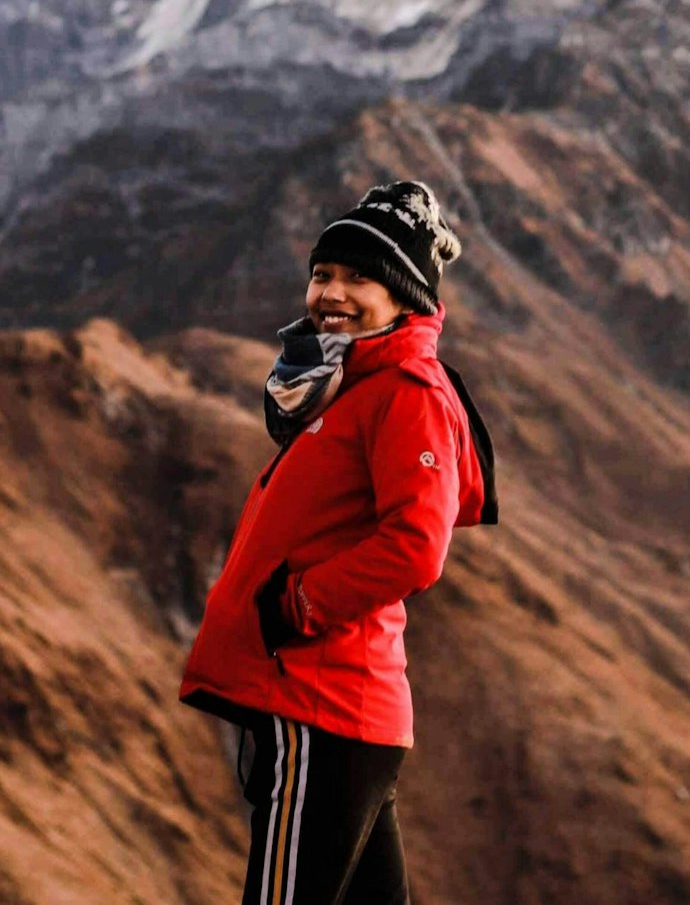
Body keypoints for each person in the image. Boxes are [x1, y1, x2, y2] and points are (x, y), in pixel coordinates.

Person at [179, 179, 498, 905]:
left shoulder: (408, 390)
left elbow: (417, 545)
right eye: (324, 273)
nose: (333, 292)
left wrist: (297, 605)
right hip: (340, 711)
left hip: (322, 701)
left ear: (406, 298)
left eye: (361, 277)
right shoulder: (353, 383)